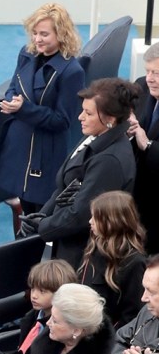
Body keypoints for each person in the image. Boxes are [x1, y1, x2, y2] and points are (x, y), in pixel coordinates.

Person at [24, 78, 138, 266]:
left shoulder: (109, 161)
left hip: (84, 256)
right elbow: (64, 187)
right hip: (68, 243)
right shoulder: (96, 136)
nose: (80, 117)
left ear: (110, 119)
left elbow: (81, 214)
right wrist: (41, 216)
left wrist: (43, 225)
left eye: (88, 113)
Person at [0, 2, 86, 214]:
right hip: (19, 144)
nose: (37, 39)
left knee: (39, 213)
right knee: (22, 204)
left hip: (44, 153)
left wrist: (23, 109)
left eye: (44, 34)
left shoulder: (72, 71)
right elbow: (13, 86)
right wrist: (11, 101)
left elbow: (62, 120)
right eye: (34, 33)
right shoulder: (26, 54)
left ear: (61, 34)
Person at [77, 190, 147, 325]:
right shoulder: (93, 248)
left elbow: (131, 315)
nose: (90, 221)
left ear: (112, 222)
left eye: (96, 218)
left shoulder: (134, 263)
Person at [129, 43, 159, 248]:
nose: (149, 78)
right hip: (135, 189)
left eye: (156, 73)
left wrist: (147, 144)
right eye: (148, 71)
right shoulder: (141, 87)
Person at [112, 258, 159, 354]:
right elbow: (116, 342)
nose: (143, 298)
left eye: (151, 292)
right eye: (144, 289)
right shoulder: (147, 313)